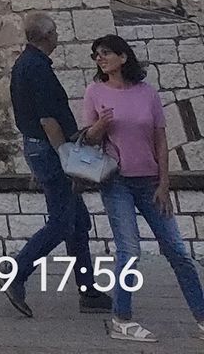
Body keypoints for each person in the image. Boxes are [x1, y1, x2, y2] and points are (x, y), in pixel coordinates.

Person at [81, 34, 204, 343]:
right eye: (96, 55)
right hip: (117, 181)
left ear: (123, 57)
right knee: (130, 251)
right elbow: (88, 140)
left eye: (106, 53)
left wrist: (165, 182)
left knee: (177, 251)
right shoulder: (94, 92)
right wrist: (100, 127)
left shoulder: (147, 93)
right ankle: (122, 319)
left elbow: (160, 139)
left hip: (150, 180)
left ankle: (202, 317)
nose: (101, 58)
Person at [3, 11, 107, 318]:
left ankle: (88, 291)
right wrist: (69, 160)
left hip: (41, 149)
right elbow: (48, 120)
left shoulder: (26, 65)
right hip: (51, 151)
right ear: (47, 36)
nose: (59, 35)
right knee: (63, 222)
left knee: (78, 223)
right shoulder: (36, 68)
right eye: (56, 32)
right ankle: (17, 272)